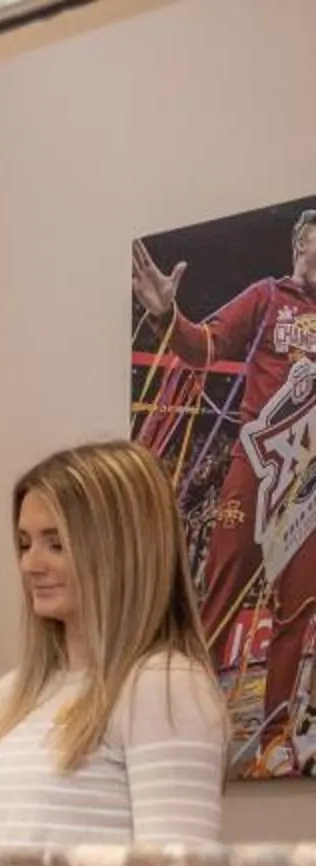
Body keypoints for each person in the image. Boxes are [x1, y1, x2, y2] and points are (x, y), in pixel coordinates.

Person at [0, 440, 227, 847]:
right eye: (25, 543)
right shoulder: (9, 696)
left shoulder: (165, 687)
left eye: (56, 543)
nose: (31, 564)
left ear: (120, 551)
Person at [131, 212, 316, 773]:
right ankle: (188, 726)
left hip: (307, 479)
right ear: (301, 244)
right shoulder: (266, 296)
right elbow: (205, 349)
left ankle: (277, 737)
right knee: (222, 593)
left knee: (297, 610)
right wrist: (169, 317)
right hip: (256, 464)